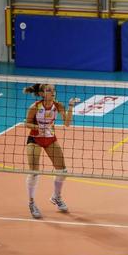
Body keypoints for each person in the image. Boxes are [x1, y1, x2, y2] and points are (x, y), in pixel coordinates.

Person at [24, 83, 79, 219]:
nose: (53, 92)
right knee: (34, 173)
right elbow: (27, 124)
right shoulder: (35, 107)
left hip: (50, 139)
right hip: (35, 139)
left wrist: (71, 106)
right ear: (42, 93)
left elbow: (67, 123)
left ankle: (56, 197)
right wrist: (38, 128)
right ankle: (31, 203)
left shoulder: (58, 105)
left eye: (54, 90)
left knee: (62, 171)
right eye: (49, 90)